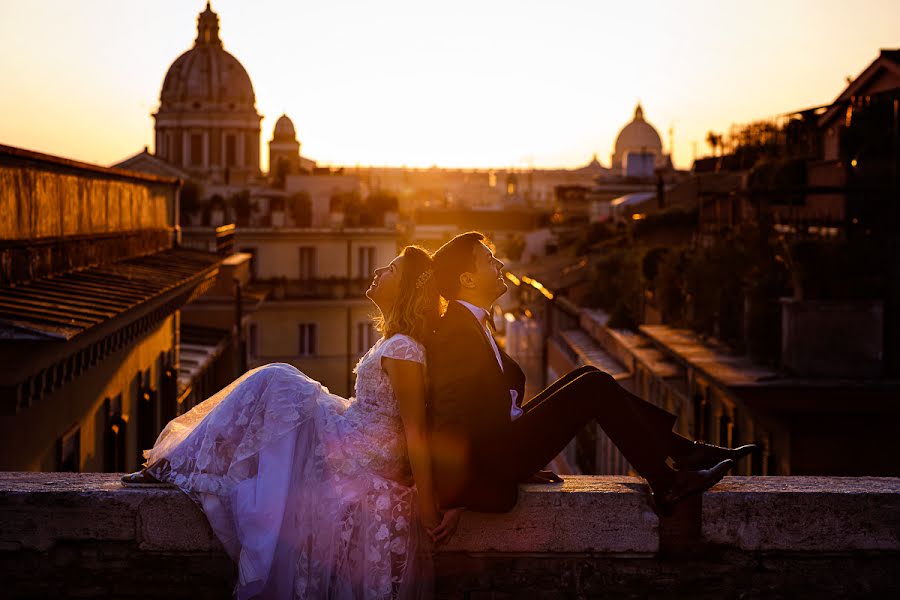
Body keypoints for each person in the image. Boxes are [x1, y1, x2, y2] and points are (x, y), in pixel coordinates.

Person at [121, 246, 443, 600]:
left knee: (277, 379)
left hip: (363, 449)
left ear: (408, 290)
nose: (380, 270)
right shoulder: (393, 344)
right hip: (354, 434)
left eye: (393, 269)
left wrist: (427, 505)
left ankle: (183, 462)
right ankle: (189, 462)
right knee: (278, 386)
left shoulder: (404, 349)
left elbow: (414, 428)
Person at [425, 231, 757, 538]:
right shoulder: (458, 332)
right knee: (593, 386)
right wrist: (458, 495)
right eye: (488, 260)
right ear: (467, 279)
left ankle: (686, 452)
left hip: (505, 445)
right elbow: (449, 415)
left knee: (586, 375)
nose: (498, 264)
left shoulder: (470, 323)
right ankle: (668, 481)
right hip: (496, 458)